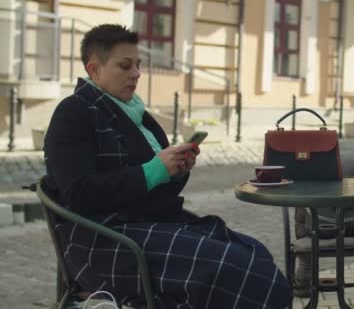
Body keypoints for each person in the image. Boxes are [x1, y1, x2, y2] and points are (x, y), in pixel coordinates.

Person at [44, 24, 292, 308]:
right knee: (232, 266)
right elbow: (78, 192)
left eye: (138, 65)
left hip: (152, 226)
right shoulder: (74, 112)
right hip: (107, 241)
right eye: (124, 66)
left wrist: (176, 169)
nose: (136, 74)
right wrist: (154, 171)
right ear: (94, 70)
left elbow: (156, 185)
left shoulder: (139, 116)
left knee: (253, 252)